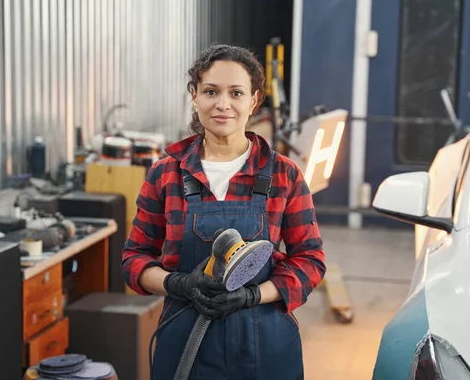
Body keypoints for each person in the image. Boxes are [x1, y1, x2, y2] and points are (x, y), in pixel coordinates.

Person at [121, 44, 326, 380]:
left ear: (254, 101)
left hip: (265, 341)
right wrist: (179, 283)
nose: (223, 104)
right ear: (194, 96)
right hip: (185, 335)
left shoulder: (284, 175)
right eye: (211, 91)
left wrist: (253, 295)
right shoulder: (166, 174)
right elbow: (134, 260)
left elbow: (310, 260)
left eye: (236, 93)